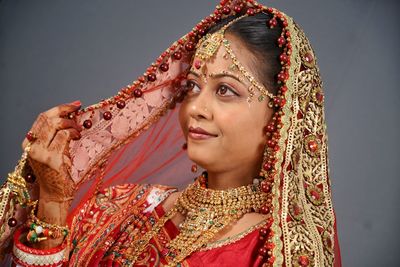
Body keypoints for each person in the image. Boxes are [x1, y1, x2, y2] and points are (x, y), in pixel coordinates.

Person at [0, 0, 341, 266]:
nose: (195, 108)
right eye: (192, 87)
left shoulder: (273, 252)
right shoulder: (119, 207)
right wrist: (53, 203)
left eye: (225, 90)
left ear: (282, 116)